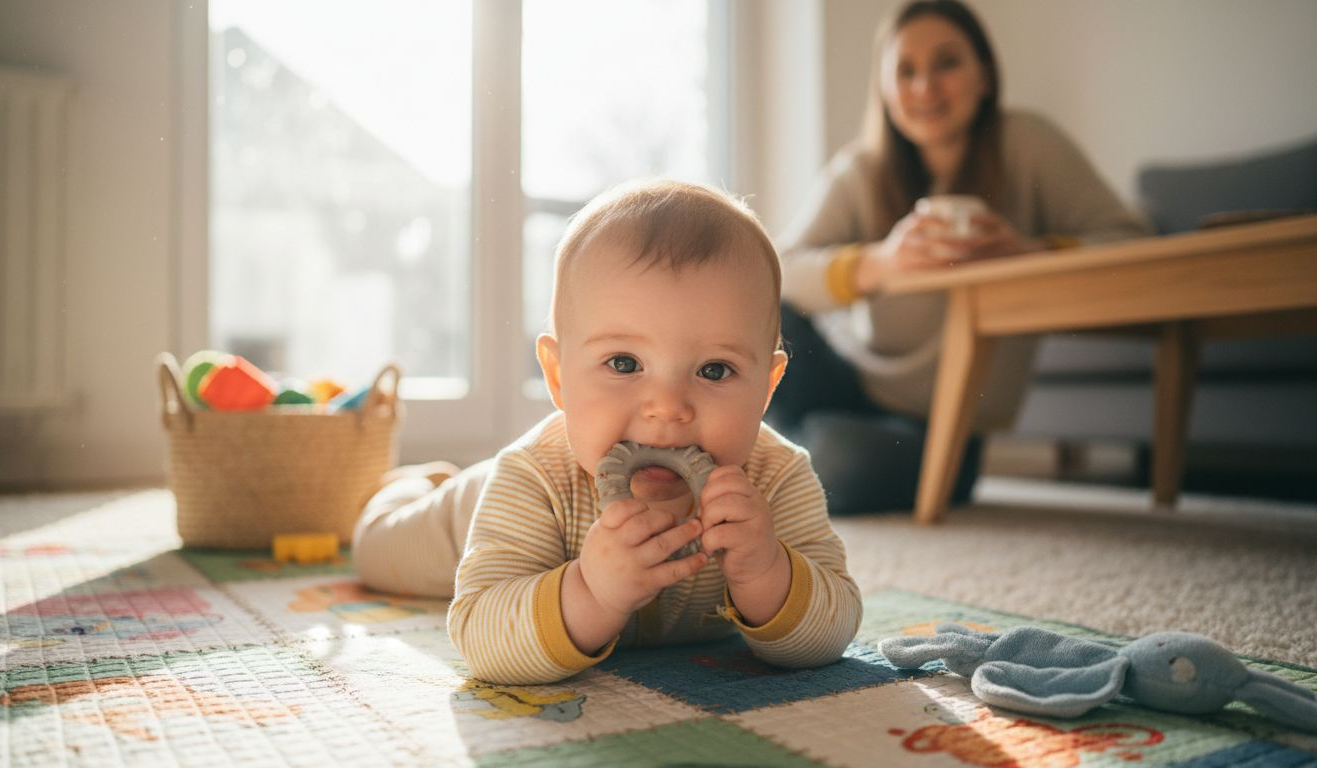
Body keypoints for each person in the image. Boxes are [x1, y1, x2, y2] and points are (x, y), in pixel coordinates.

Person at [353, 180, 862, 685]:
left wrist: (769, 571)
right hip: (469, 516)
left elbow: (835, 627)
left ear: (767, 388)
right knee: (376, 552)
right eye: (624, 362)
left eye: (713, 370)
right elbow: (482, 641)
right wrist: (590, 592)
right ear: (557, 376)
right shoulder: (534, 479)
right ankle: (412, 487)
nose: (667, 408)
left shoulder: (776, 480)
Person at [768, 0, 1149, 514]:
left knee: (838, 464)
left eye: (946, 63)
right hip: (847, 380)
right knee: (764, 317)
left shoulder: (1027, 143)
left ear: (985, 76)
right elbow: (778, 270)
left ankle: (770, 452)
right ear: (884, 89)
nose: (925, 87)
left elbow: (1131, 241)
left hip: (943, 426)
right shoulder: (860, 169)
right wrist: (879, 264)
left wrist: (1028, 252)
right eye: (905, 71)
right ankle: (776, 450)